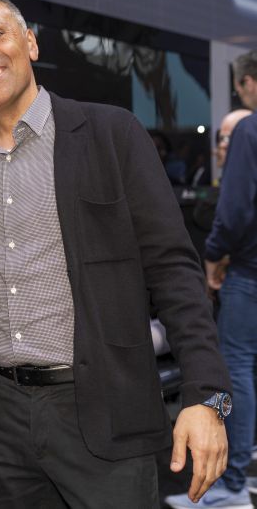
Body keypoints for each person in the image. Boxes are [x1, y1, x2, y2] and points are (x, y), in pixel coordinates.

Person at [0, 0, 231, 507]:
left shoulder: (110, 134)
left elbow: (173, 270)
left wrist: (207, 395)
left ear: (30, 44)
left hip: (104, 407)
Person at [168, 51, 257, 508]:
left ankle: (232, 480)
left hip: (247, 273)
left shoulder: (250, 131)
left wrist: (213, 256)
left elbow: (235, 210)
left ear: (248, 83)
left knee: (234, 370)